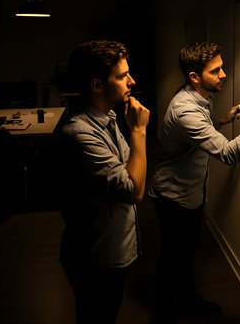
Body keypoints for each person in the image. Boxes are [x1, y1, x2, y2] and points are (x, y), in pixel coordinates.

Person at [148, 42, 240, 323]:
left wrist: (223, 120)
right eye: (216, 70)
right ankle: (162, 316)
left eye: (222, 67)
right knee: (173, 260)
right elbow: (229, 153)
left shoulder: (200, 97)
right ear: (194, 77)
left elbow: (203, 130)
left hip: (192, 192)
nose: (224, 74)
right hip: (173, 196)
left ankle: (188, 301)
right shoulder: (185, 110)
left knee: (187, 253)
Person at [57, 40, 150, 324]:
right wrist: (138, 132)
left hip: (110, 247)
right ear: (97, 85)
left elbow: (126, 174)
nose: (132, 81)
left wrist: (119, 185)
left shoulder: (106, 116)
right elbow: (133, 191)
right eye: (122, 76)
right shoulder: (80, 132)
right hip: (96, 258)